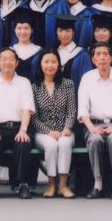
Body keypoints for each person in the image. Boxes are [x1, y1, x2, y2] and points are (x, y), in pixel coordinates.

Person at [76, 43, 112, 198]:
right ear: (93, 59)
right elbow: (83, 108)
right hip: (94, 124)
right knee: (94, 140)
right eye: (98, 54)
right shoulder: (87, 78)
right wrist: (91, 128)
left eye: (105, 54)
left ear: (111, 58)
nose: (102, 58)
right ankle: (97, 183)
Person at [0, 48, 35, 199]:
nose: (7, 62)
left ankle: (22, 184)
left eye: (11, 59)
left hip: (18, 126)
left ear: (16, 63)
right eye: (4, 59)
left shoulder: (24, 83)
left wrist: (23, 130)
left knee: (24, 142)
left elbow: (27, 110)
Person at [28, 50, 77, 199]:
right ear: (40, 64)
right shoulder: (34, 87)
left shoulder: (68, 84)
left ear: (59, 64)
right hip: (43, 133)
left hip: (65, 131)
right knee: (51, 145)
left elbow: (71, 111)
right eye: (46, 62)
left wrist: (66, 128)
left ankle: (63, 185)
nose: (50, 65)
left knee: (64, 143)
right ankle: (51, 184)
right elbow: (33, 117)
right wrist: (49, 132)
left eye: (53, 62)